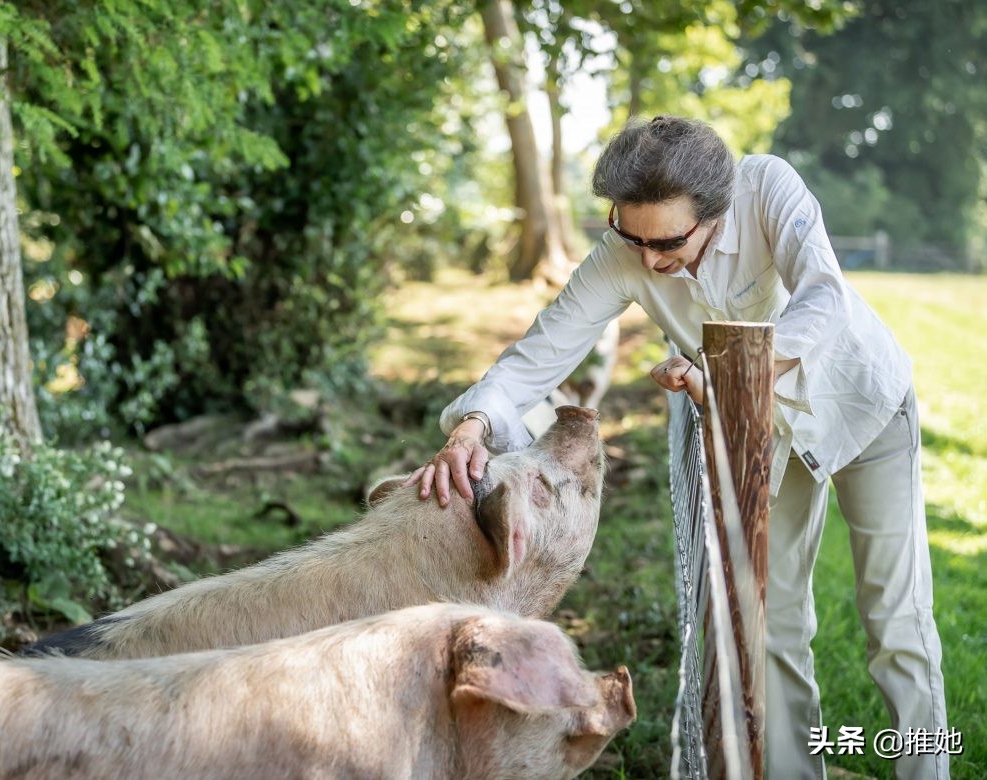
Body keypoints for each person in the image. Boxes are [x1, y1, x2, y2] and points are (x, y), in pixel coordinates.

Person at [404, 115, 948, 780]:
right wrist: (471, 427)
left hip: (865, 406)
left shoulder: (768, 187)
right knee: (773, 624)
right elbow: (535, 358)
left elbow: (824, 297)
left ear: (716, 210)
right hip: (763, 436)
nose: (649, 260)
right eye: (630, 235)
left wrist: (724, 371)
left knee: (895, 620)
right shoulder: (627, 251)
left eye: (668, 242)